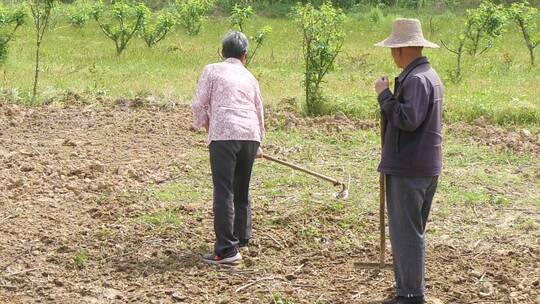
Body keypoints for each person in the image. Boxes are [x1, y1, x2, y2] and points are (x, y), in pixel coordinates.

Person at [374, 19, 444, 304]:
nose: (392, 54)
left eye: (394, 49)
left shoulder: (415, 80)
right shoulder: (430, 76)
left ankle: (412, 295)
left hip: (409, 169)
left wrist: (384, 96)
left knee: (406, 235)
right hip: (424, 166)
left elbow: (407, 119)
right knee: (411, 232)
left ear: (403, 50)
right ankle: (407, 290)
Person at [192, 31, 265, 265]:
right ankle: (241, 239)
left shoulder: (212, 69)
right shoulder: (249, 76)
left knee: (224, 191)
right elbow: (259, 110)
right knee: (241, 189)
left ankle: (227, 251)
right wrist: (258, 142)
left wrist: (205, 127)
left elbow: (199, 104)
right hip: (250, 135)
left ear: (222, 53)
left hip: (224, 135)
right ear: (245, 56)